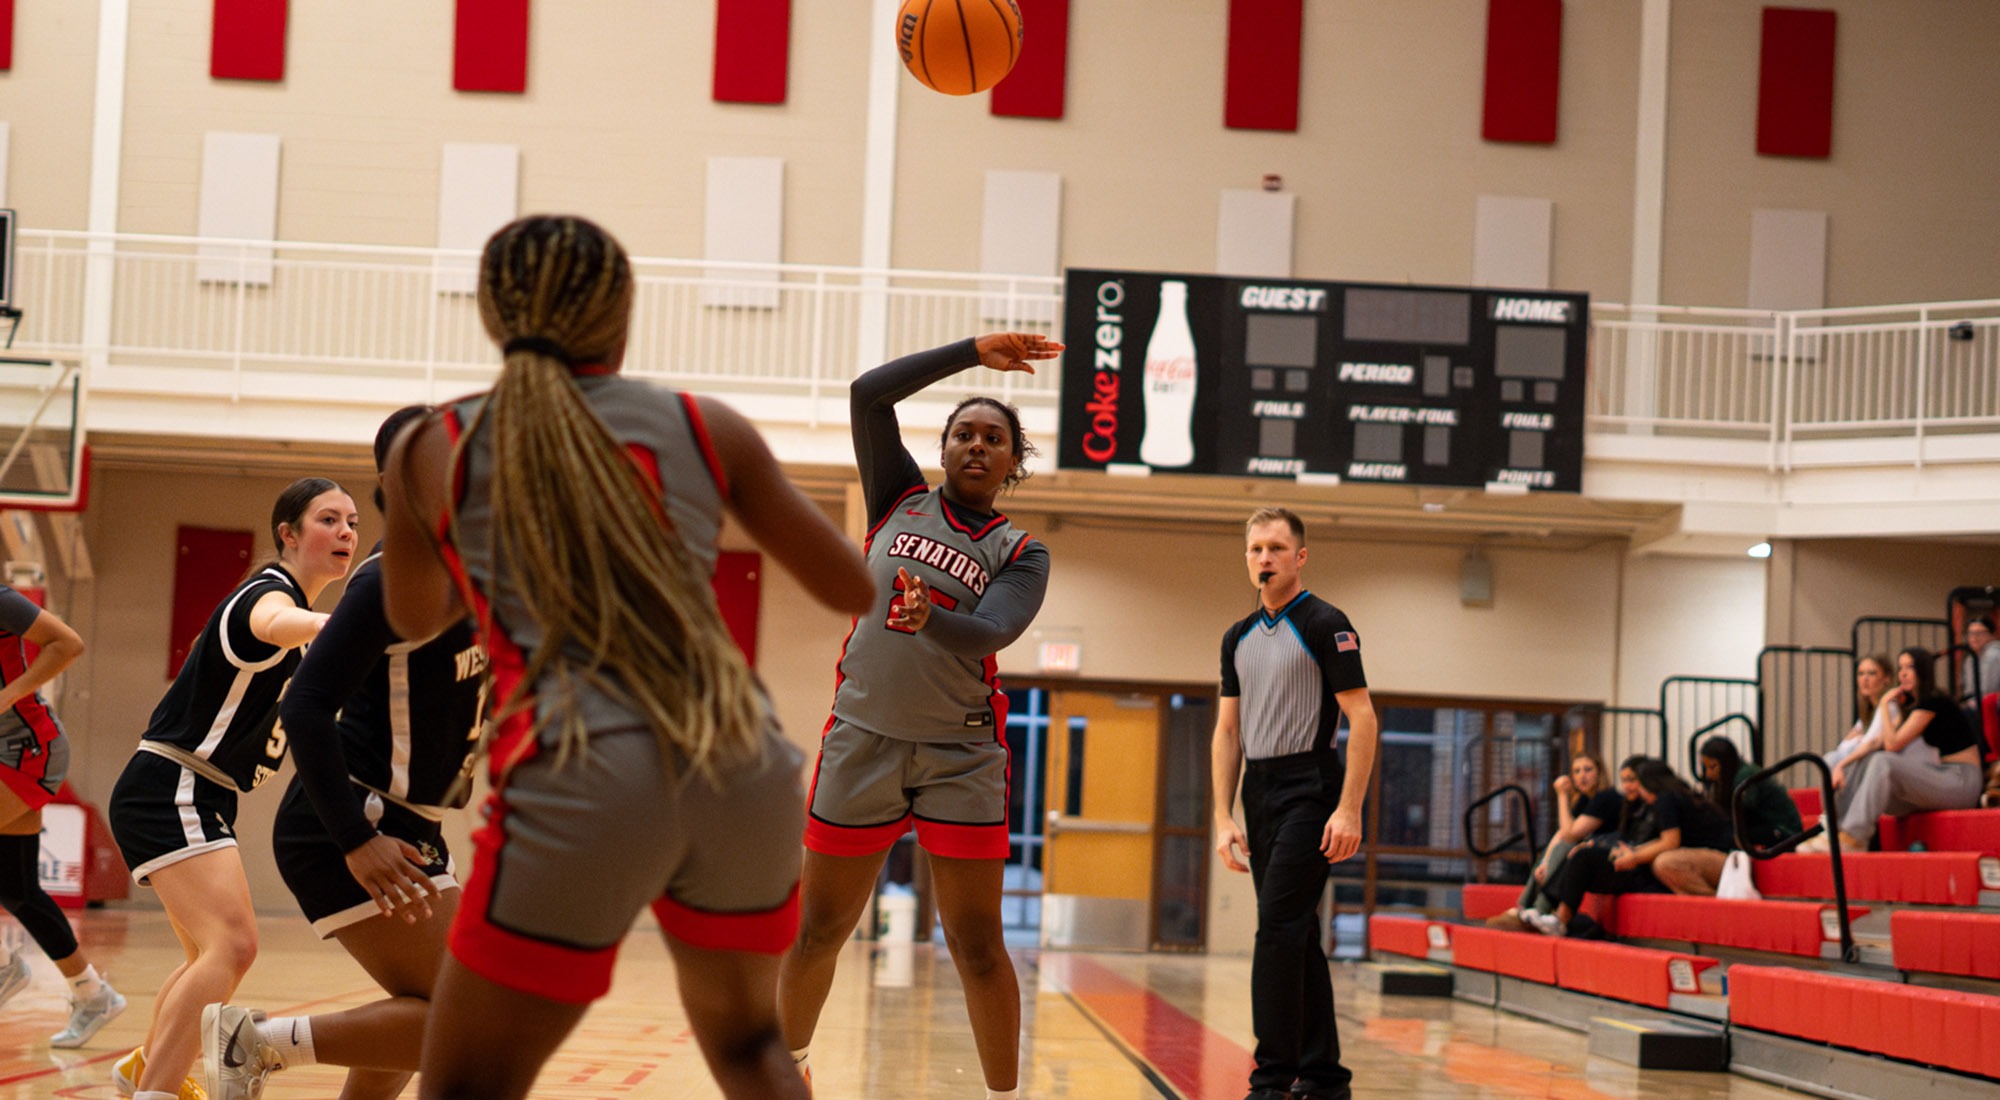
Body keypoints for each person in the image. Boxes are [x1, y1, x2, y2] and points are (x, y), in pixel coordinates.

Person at [379, 213, 874, 1100]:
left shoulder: (434, 444)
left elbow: (413, 618)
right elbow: (851, 587)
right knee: (753, 1046)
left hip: (579, 766)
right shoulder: (701, 423)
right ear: (622, 316)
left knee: (465, 1088)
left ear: (493, 317)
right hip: (740, 759)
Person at [777, 329, 1061, 1100]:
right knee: (819, 930)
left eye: (994, 438)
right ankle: (789, 1067)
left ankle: (1005, 1095)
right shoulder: (897, 497)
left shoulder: (1021, 551)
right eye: (964, 432)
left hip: (960, 754)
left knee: (975, 945)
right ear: (942, 449)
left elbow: (991, 632)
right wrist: (974, 351)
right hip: (862, 738)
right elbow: (868, 393)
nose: (977, 444)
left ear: (1013, 463)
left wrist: (925, 615)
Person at [198, 407, 485, 1100]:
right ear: (399, 479)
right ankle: (252, 1045)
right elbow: (303, 705)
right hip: (350, 822)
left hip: (409, 824)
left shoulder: (469, 573)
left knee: (419, 1018)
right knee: (468, 1019)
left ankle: (256, 1047)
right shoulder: (391, 578)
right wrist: (355, 838)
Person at [107, 477, 356, 1100]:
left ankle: (144, 1070)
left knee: (208, 956)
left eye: (353, 521)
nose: (347, 532)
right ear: (288, 534)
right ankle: (156, 1092)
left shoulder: (300, 632)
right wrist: (348, 628)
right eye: (329, 519)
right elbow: (272, 622)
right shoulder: (266, 597)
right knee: (235, 945)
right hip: (174, 782)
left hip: (200, 790)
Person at [1210, 507, 1380, 1100]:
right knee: (1297, 933)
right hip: (1259, 788)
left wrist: (1349, 809)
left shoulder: (1326, 622)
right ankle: (1326, 1077)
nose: (1265, 558)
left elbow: (1363, 719)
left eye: (1277, 548)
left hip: (1312, 785)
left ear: (1300, 557)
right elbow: (1227, 732)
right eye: (1256, 549)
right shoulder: (1236, 636)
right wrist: (1221, 816)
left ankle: (1272, 1079)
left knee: (1277, 930)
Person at [0, 584, 126, 1047]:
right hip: (7, 750)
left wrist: (8, 695)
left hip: (28, 749)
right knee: (17, 890)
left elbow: (68, 643)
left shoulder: (1, 600)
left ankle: (2, 967)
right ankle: (93, 994)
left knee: (17, 888)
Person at [1806, 647, 1985, 853]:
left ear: (1923, 671)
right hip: (1942, 778)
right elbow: (1876, 742)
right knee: (1869, 763)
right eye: (1900, 667)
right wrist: (1842, 765)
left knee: (1883, 761)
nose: (1903, 674)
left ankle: (1854, 837)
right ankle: (1835, 830)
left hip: (1961, 780)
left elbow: (1892, 744)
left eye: (1910, 667)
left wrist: (1884, 704)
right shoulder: (1912, 707)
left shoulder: (1934, 702)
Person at [1526, 757, 1725, 934]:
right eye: (1625, 781)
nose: (1631, 787)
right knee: (1582, 855)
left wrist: (1632, 855)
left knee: (1585, 857)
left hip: (1664, 865)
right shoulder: (1644, 804)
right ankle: (1546, 912)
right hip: (1646, 861)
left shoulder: (1663, 799)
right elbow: (1633, 839)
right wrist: (1602, 845)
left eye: (1634, 781)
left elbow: (1669, 841)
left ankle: (1557, 917)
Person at [1487, 752, 1615, 930]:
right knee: (1554, 848)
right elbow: (1560, 834)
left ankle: (1539, 909)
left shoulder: (1606, 797)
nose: (1582, 776)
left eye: (1588, 770)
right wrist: (1546, 862)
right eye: (1576, 771)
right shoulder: (1586, 799)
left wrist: (1562, 796)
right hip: (1582, 857)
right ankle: (1524, 907)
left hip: (1605, 860)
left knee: (1567, 846)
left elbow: (1570, 835)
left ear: (1599, 773)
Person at [1698, 737, 1801, 850]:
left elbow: (1745, 811)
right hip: (1764, 824)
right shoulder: (1730, 777)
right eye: (1705, 767)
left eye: (1712, 767)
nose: (1708, 774)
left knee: (1725, 836)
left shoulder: (1745, 776)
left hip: (1784, 829)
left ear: (1726, 763)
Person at [1825, 654, 1899, 770]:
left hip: (1882, 765)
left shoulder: (1889, 706)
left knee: (1832, 759)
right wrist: (1858, 739)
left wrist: (1859, 739)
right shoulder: (1868, 709)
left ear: (1887, 678)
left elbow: (1869, 743)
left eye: (1872, 673)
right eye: (1861, 674)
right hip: (1866, 762)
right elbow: (1843, 746)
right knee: (1832, 757)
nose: (1865, 679)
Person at [1961, 615, 1998, 700]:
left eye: (1979, 633)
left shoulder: (1994, 655)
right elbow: (1968, 690)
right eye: (1970, 633)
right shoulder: (1970, 659)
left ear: (1992, 635)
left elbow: (1988, 691)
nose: (1974, 637)